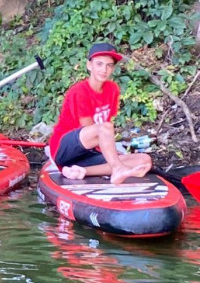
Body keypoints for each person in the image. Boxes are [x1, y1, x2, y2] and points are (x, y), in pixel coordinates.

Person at [48, 43, 152, 185]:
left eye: (109, 65)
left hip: (88, 153)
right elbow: (92, 129)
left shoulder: (112, 89)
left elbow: (105, 125)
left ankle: (80, 171)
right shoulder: (80, 91)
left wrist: (114, 155)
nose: (104, 69)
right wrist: (114, 157)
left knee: (143, 160)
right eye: (99, 64)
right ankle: (118, 169)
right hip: (65, 148)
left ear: (113, 69)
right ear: (89, 65)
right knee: (105, 128)